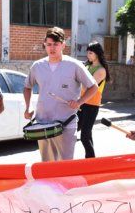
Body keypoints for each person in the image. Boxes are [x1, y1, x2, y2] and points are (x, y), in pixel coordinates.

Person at [23, 27, 98, 161]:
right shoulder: (37, 66)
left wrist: (79, 102)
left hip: (66, 122)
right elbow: (27, 87)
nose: (52, 48)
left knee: (64, 165)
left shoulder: (74, 65)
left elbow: (93, 87)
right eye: (49, 44)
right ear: (45, 44)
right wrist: (28, 107)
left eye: (56, 44)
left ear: (63, 45)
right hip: (43, 123)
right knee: (47, 164)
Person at [77, 41, 110, 158]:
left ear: (97, 54)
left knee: (84, 136)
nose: (88, 55)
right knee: (80, 132)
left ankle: (90, 160)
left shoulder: (101, 70)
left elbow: (87, 86)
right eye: (87, 53)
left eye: (90, 53)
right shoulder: (87, 66)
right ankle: (91, 159)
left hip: (91, 105)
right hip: (81, 103)